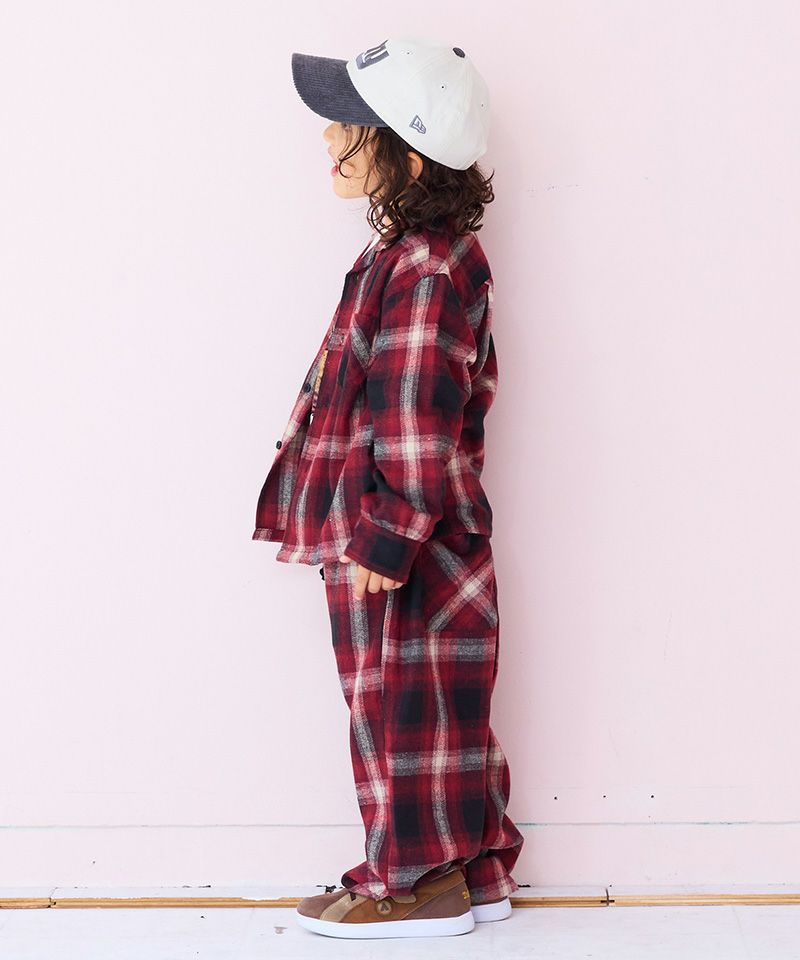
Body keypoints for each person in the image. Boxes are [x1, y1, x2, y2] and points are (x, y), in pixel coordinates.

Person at [252, 36, 524, 939]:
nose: (330, 138)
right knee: (435, 708)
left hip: (404, 541)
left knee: (402, 712)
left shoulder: (427, 269)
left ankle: (412, 884)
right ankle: (474, 872)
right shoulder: (410, 256)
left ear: (408, 156)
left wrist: (389, 529)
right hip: (404, 533)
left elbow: (415, 409)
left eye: (350, 125)